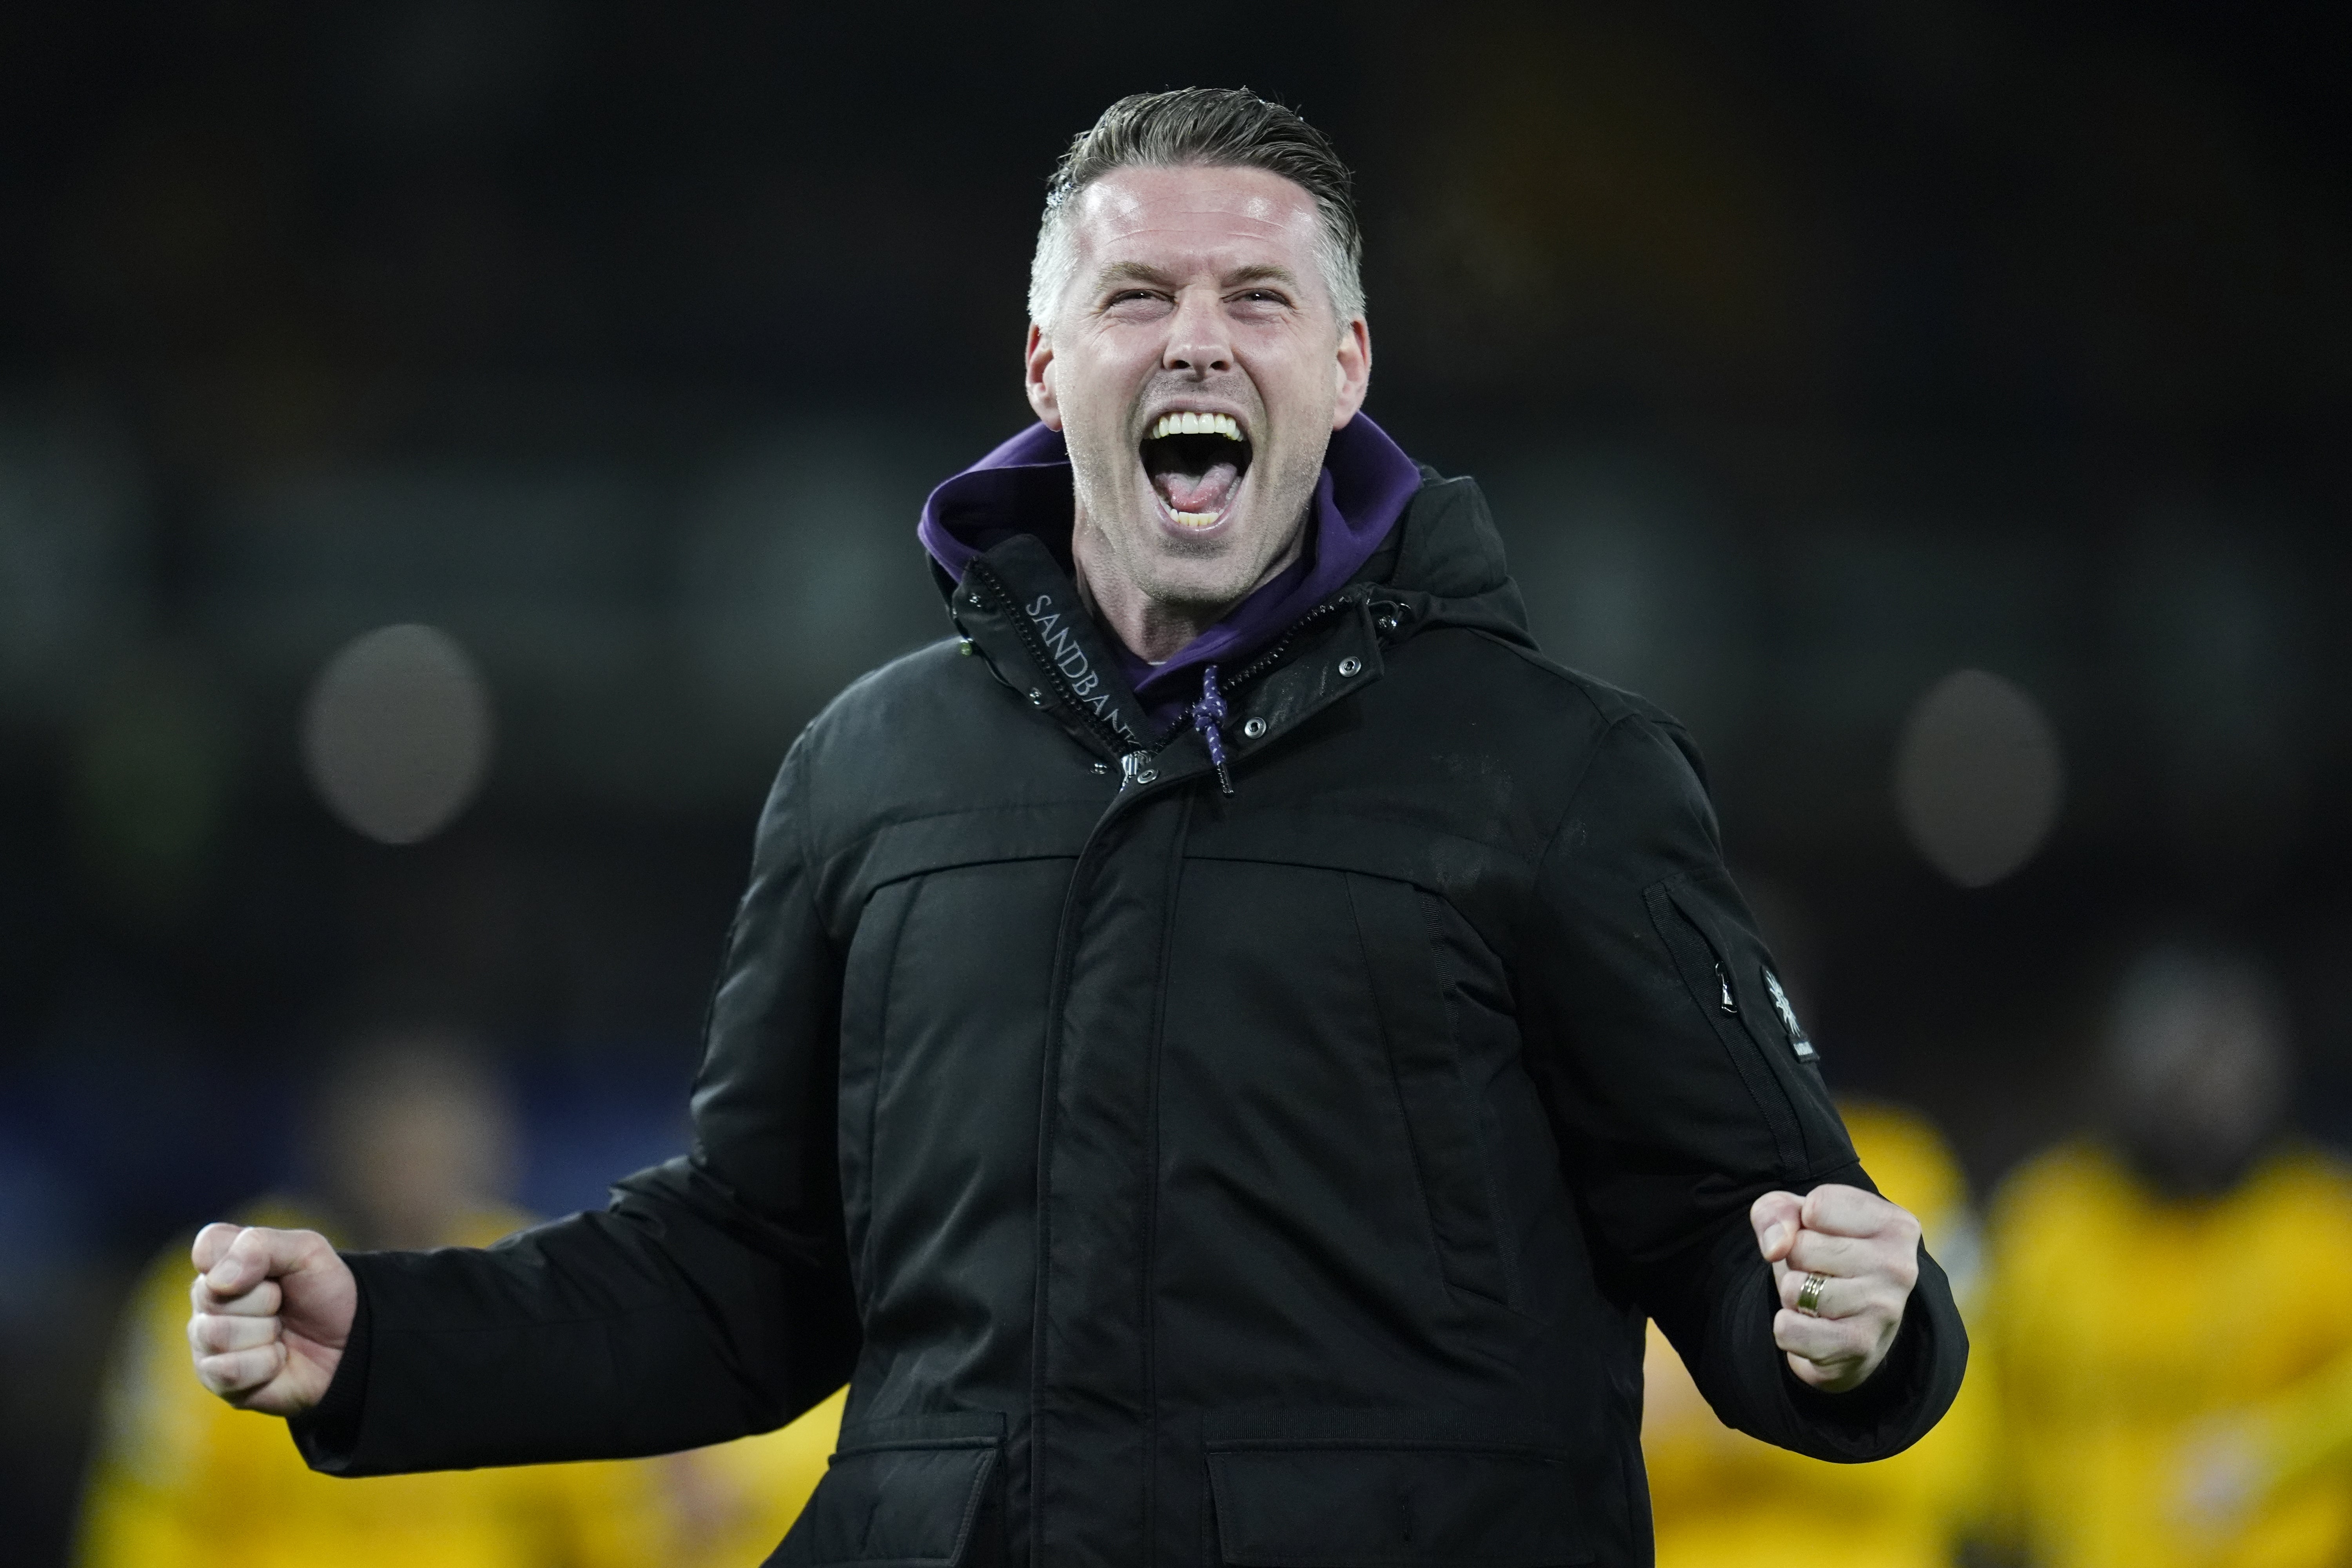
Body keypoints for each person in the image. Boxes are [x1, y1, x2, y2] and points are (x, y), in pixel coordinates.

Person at [181, 89, 1967, 1568]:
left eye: (1256, 299)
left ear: (1346, 368)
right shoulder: (863, 771)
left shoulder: (1559, 774)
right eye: (1137, 296)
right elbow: (747, 1267)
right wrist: (394, 1341)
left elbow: (1745, 1245)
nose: (1196, 334)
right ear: (1044, 363)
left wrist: (1851, 1325)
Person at [77, 1035, 675, 1568]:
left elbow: (614, 1529)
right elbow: (154, 1521)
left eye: (438, 1137)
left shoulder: (541, 1284)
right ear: (333, 1141)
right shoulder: (231, 1278)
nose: (414, 1166)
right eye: (393, 1137)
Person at [1984, 944, 2352, 1568]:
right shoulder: (2048, 1220)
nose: (2213, 1090)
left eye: (2235, 1061)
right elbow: (1993, 1419)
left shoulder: (2319, 1220)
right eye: (2187, 1062)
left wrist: (2278, 1451)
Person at [1641, 1099, 1992, 1568]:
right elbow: (1593, 1429)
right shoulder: (1618, 1173)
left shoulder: (1900, 1165)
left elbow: (1954, 1451)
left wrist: (1707, 1392)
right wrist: (1799, 1360)